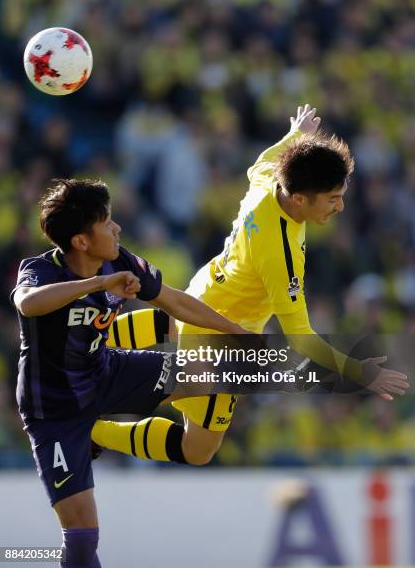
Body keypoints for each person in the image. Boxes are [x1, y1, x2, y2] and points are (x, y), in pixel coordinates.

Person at [92, 105, 408, 466]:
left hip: (206, 290)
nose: (340, 207)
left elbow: (263, 159)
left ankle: (84, 338)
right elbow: (302, 337)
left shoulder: (270, 179)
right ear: (301, 198)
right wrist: (361, 372)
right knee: (198, 449)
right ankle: (91, 429)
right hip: (220, 336)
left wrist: (297, 135)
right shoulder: (280, 252)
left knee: (171, 328)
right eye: (333, 198)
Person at [10, 178, 249, 568]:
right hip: (55, 412)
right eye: (107, 223)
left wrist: (237, 333)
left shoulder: (120, 259)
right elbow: (28, 304)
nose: (117, 228)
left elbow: (174, 300)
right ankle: (89, 435)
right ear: (81, 242)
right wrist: (100, 283)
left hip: (107, 373)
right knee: (84, 541)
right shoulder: (39, 270)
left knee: (220, 370)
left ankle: (313, 372)